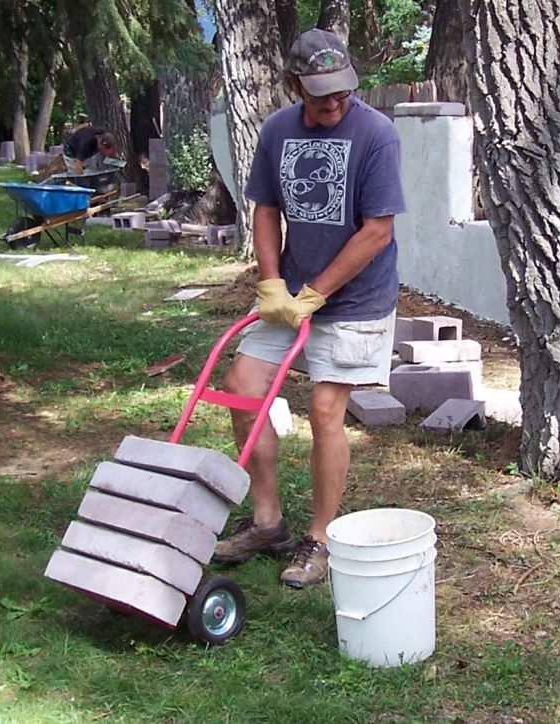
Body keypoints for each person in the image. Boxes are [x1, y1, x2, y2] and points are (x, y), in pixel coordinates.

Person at [212, 28, 407, 589]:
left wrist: (316, 293)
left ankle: (320, 538)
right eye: (320, 92)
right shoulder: (277, 130)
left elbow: (377, 232)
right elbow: (267, 209)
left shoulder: (376, 134)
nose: (333, 102)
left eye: (342, 90)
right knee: (243, 387)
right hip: (291, 291)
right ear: (293, 83)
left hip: (355, 300)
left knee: (325, 409)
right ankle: (268, 521)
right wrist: (273, 283)